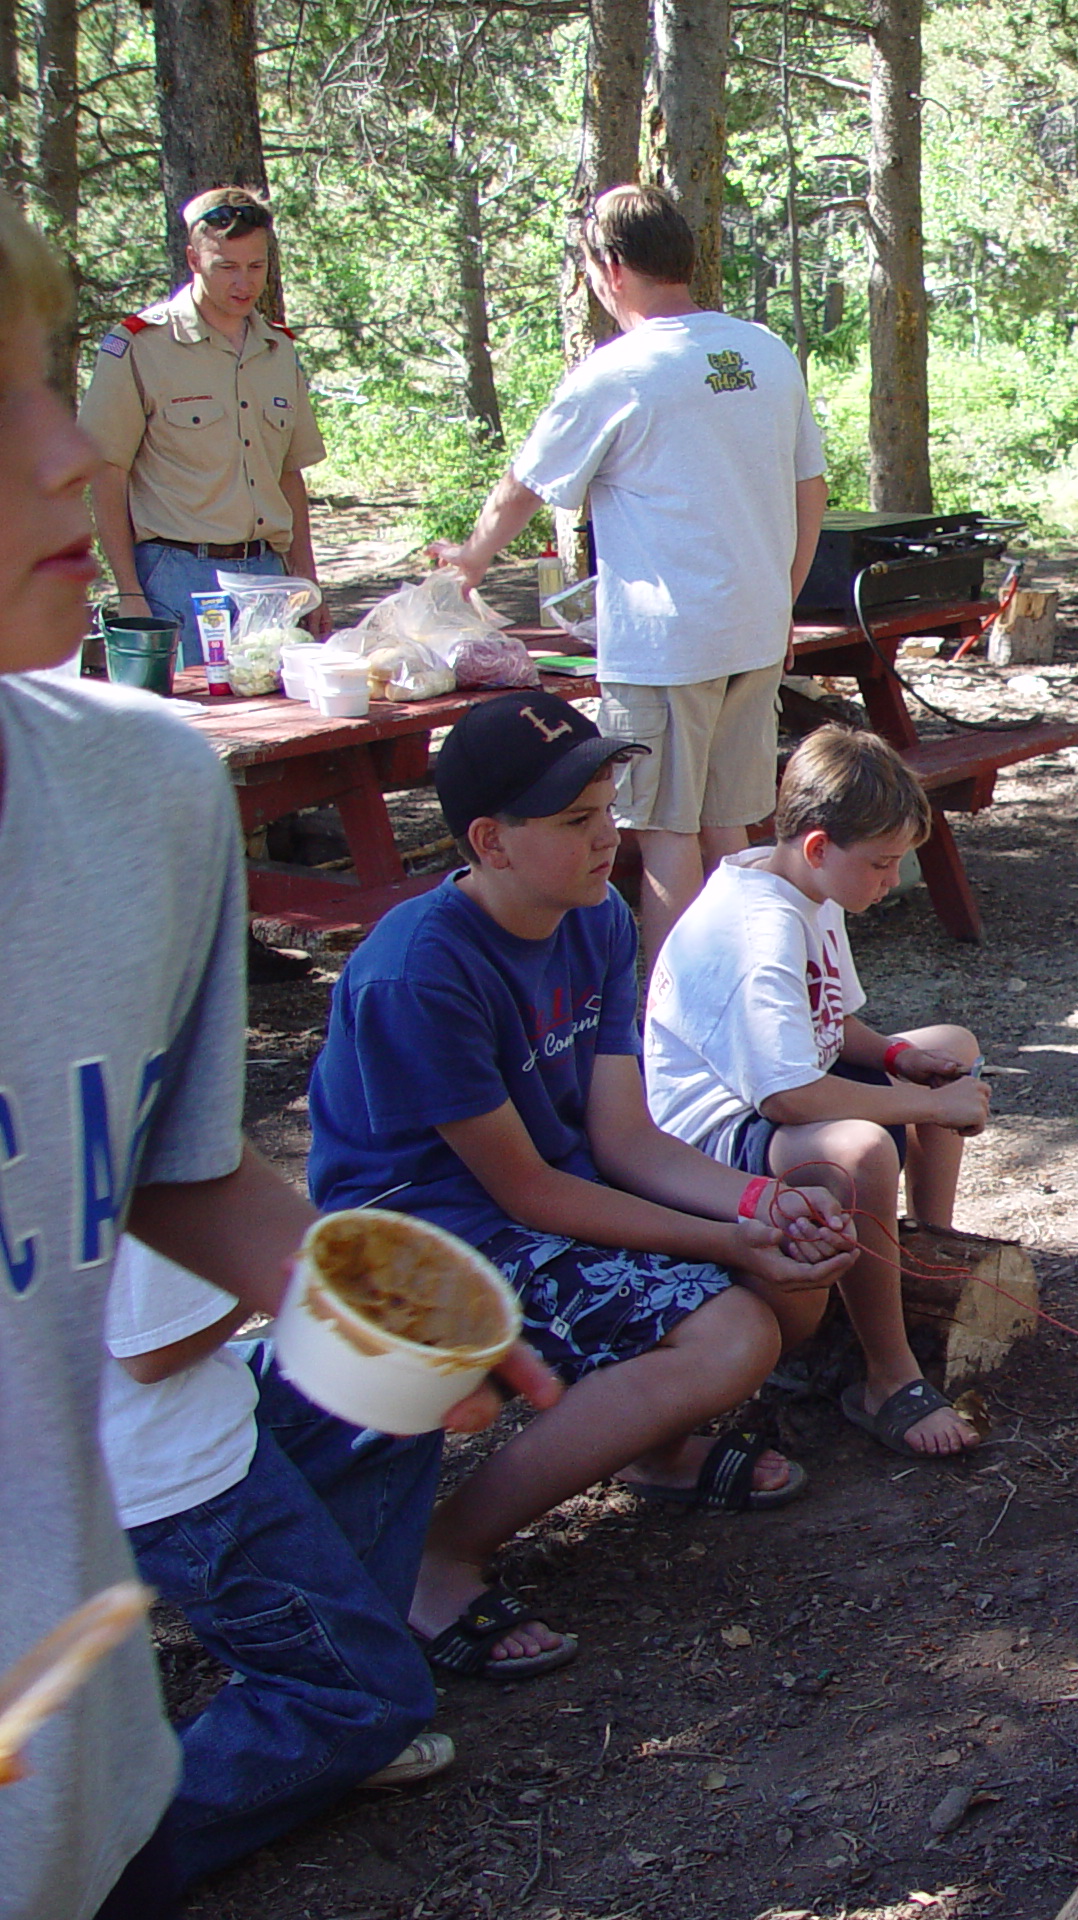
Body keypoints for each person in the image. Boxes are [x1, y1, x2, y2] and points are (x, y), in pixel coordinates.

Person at [0, 193, 550, 1920]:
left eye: (45, 382)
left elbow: (167, 1178)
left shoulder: (138, 798)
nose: (68, 457)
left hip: (69, 1755)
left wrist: (386, 1317)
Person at [304, 689, 861, 1682]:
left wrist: (760, 1208)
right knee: (735, 1326)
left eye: (609, 808)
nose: (610, 836)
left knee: (790, 1284)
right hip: (428, 1233)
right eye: (575, 821)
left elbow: (622, 1137)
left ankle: (655, 1454)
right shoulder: (418, 972)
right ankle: (440, 1551)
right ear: (490, 840)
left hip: (546, 1201)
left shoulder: (596, 918)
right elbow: (521, 1193)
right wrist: (730, 1240)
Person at [430, 184, 830, 968]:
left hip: (666, 642)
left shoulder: (621, 370)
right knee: (731, 827)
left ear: (611, 268)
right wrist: (782, 601)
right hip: (754, 629)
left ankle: (677, 1015)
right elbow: (809, 489)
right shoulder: (763, 351)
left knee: (664, 833)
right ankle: (750, 994)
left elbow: (527, 483)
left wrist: (471, 559)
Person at [644, 724, 993, 1457]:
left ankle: (926, 1253)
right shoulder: (759, 929)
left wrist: (903, 1057)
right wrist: (930, 1105)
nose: (891, 882)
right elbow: (788, 1099)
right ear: (817, 846)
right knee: (861, 1149)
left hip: (773, 1099)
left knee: (950, 1047)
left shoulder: (809, 887)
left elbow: (833, 1024)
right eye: (881, 865)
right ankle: (887, 1376)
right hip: (709, 1140)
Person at [99, 1243, 450, 1895]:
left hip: (107, 1414)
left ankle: (321, 1660)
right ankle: (71, 1864)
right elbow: (154, 1347)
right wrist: (273, 1267)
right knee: (368, 1702)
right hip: (153, 1457)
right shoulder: (93, 1139)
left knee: (396, 1372)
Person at [78, 186, 330, 664]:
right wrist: (128, 591)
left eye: (256, 266)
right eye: (227, 267)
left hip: (269, 578)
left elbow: (287, 474)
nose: (244, 283)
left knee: (279, 723)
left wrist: (307, 578)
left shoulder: (277, 350)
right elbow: (106, 473)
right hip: (177, 574)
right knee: (202, 726)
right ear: (194, 259)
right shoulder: (141, 346)